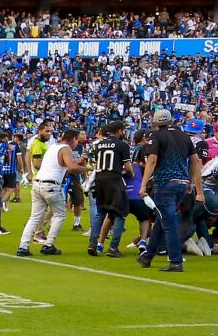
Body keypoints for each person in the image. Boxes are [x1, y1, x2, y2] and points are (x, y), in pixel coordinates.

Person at [138, 108, 204, 273]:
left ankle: (175, 261)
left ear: (155, 122)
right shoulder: (183, 136)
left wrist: (143, 184)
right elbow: (195, 161)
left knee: (168, 222)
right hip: (181, 185)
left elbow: (152, 160)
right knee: (162, 220)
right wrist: (191, 182)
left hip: (165, 184)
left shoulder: (157, 136)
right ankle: (147, 256)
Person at [17, 128, 89, 258]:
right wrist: (90, 169)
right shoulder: (66, 148)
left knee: (34, 217)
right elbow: (71, 168)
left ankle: (23, 246)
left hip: (38, 183)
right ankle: (48, 245)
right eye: (77, 140)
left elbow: (63, 169)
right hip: (50, 185)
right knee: (60, 215)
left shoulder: (52, 147)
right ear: (73, 139)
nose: (77, 144)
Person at [87, 122, 132, 257]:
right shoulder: (122, 145)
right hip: (114, 179)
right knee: (120, 213)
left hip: (99, 178)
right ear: (119, 131)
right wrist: (132, 174)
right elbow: (128, 167)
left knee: (100, 212)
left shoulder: (98, 144)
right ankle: (113, 247)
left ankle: (92, 243)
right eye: (123, 130)